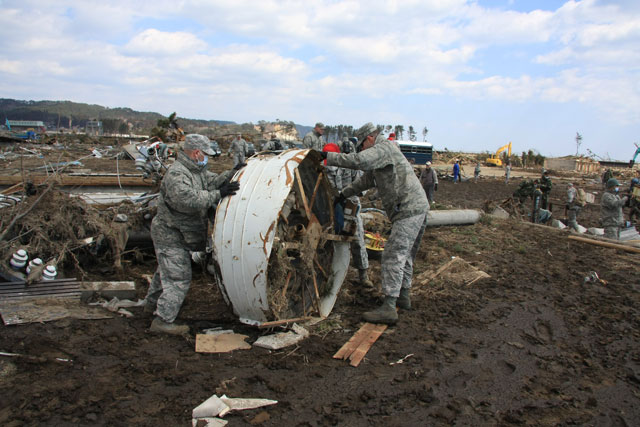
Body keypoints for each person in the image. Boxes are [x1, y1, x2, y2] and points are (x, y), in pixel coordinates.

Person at [320, 122, 428, 325]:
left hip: (408, 208)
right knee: (405, 255)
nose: (361, 149)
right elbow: (366, 181)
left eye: (361, 145)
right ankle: (403, 296)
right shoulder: (384, 154)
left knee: (393, 254)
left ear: (369, 138)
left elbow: (360, 161)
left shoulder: (383, 148)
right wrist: (343, 195)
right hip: (416, 207)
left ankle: (389, 306)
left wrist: (328, 157)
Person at [144, 134, 242, 335]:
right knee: (178, 277)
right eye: (206, 154)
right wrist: (219, 194)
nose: (207, 158)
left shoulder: (196, 171)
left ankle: (150, 305)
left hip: (179, 234)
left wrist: (232, 173)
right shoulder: (177, 174)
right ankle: (162, 320)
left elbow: (213, 181)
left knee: (165, 270)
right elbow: (187, 200)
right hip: (170, 234)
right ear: (197, 153)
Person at [322, 142, 373, 288]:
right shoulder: (322, 169)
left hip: (350, 204)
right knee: (327, 239)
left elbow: (362, 187)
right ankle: (330, 273)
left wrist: (346, 194)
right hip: (329, 207)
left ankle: (363, 275)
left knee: (357, 239)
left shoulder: (351, 167)